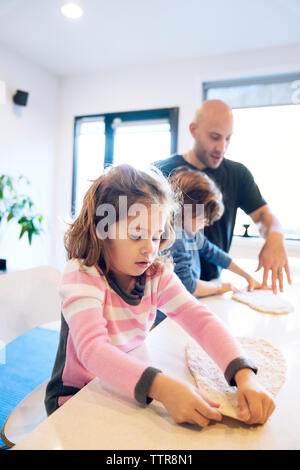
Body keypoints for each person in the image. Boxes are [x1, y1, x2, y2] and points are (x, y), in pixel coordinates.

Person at [45, 164, 274, 426]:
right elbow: (92, 351)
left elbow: (200, 320)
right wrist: (163, 387)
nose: (149, 250)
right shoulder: (82, 275)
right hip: (75, 400)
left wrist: (244, 374)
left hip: (124, 386)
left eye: (156, 237)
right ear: (102, 230)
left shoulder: (155, 274)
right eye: (136, 235)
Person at [155, 99, 291, 294]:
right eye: (215, 137)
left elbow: (262, 216)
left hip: (211, 284)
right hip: (171, 293)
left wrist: (276, 236)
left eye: (228, 138)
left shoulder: (238, 174)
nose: (222, 147)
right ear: (194, 130)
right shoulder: (161, 171)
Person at [168, 166, 262, 297]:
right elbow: (188, 286)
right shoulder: (175, 238)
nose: (206, 224)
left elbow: (214, 253)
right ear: (187, 210)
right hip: (168, 314)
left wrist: (247, 276)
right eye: (204, 218)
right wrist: (220, 287)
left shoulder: (190, 234)